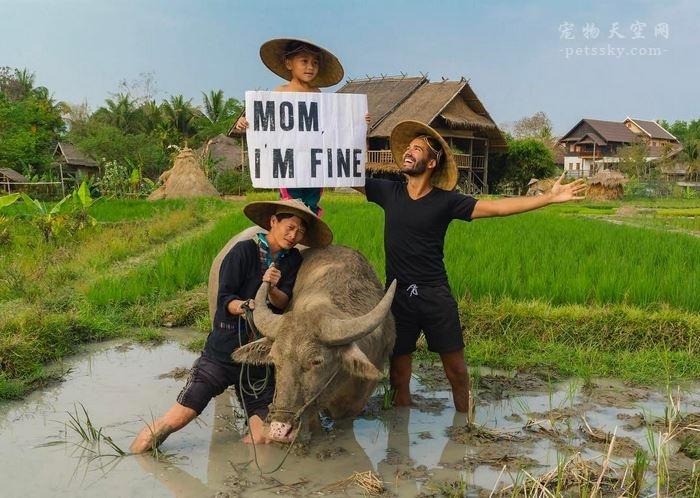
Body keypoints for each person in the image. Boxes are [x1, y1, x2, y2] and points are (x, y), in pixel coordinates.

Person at [355, 120, 587, 413]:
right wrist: (358, 134)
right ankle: (400, 439)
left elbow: (499, 208)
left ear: (432, 162)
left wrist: (549, 198)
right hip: (398, 297)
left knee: (457, 373)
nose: (409, 152)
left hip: (435, 296)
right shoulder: (389, 192)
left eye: (418, 149)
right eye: (409, 148)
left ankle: (465, 426)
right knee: (399, 375)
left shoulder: (446, 202)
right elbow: (348, 174)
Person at [130, 198, 333, 452]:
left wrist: (272, 289)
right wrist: (247, 306)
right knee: (174, 421)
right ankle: (136, 454)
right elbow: (224, 299)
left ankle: (236, 473)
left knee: (262, 438)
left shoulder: (291, 261)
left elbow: (282, 303)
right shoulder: (242, 252)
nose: (294, 235)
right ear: (273, 222)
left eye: (300, 231)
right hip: (222, 354)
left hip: (257, 364)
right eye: (290, 227)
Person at [234, 38, 370, 215]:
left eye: (315, 63)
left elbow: (332, 127)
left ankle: (309, 237)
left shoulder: (318, 95)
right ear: (289, 63)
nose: (310, 67)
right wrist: (244, 123)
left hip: (314, 166)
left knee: (311, 207)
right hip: (289, 165)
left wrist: (358, 121)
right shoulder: (280, 93)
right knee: (290, 206)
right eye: (304, 61)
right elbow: (266, 124)